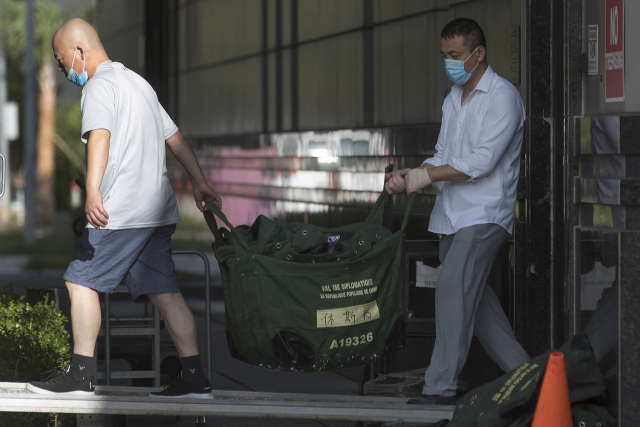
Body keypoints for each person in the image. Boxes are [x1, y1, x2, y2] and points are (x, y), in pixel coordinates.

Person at [29, 19, 222, 398]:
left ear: (80, 51)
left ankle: (81, 375)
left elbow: (100, 136)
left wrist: (93, 190)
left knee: (79, 280)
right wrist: (199, 180)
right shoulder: (139, 84)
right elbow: (174, 136)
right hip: (158, 211)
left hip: (123, 212)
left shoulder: (100, 85)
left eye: (61, 59)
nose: (60, 68)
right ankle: (196, 377)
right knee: (163, 290)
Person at [385, 18, 530, 405]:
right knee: (479, 308)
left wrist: (424, 176)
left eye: (455, 55)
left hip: (484, 214)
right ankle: (531, 382)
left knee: (450, 291)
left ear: (478, 54)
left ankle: (440, 388)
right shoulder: (454, 97)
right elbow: (446, 157)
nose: (448, 62)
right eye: (444, 55)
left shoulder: (503, 97)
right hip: (453, 216)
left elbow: (481, 162)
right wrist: (408, 174)